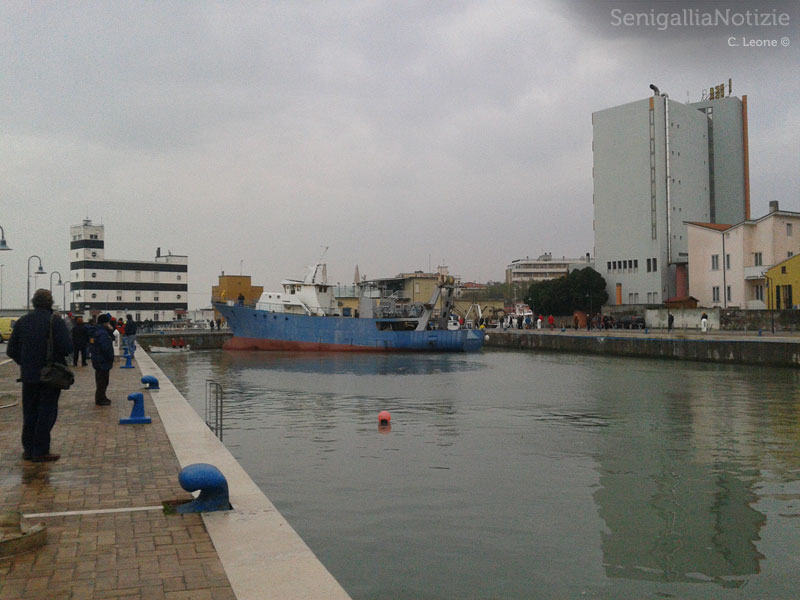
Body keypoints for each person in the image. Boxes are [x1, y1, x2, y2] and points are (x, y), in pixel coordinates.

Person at [6, 289, 73, 462]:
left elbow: (11, 350)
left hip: (28, 377)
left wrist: (26, 363)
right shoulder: (54, 321)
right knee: (46, 413)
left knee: (29, 413)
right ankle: (40, 451)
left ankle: (28, 449)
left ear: (33, 302)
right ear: (50, 303)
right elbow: (67, 348)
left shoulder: (22, 322)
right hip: (49, 376)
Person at [90, 314, 115, 406]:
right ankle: (100, 399)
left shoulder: (96, 331)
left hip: (97, 359)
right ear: (105, 322)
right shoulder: (102, 333)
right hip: (103, 360)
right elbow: (105, 347)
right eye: (107, 322)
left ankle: (102, 397)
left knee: (100, 380)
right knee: (103, 381)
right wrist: (110, 358)